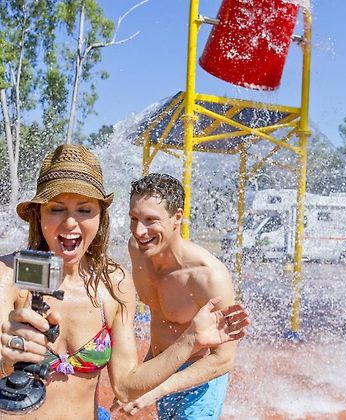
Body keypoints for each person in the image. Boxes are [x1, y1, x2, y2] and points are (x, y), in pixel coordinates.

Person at [0, 145, 249, 420]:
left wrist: (191, 339)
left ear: (100, 216)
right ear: (39, 214)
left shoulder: (113, 283)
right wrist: (5, 360)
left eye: (84, 210)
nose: (70, 222)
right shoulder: (7, 275)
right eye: (56, 209)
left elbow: (126, 387)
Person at [121, 173, 242, 418]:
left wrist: (157, 389)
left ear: (177, 217)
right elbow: (161, 319)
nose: (139, 231)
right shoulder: (137, 250)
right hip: (161, 368)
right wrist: (143, 378)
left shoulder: (208, 276)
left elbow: (223, 359)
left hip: (199, 382)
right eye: (134, 219)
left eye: (150, 220)